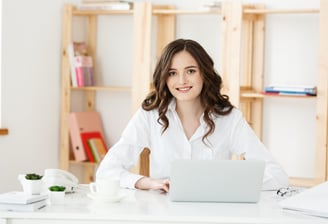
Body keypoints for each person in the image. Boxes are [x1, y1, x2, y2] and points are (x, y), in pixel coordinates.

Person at [96, 38, 289, 193]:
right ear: (164, 77)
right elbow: (106, 172)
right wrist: (146, 182)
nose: (181, 81)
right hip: (163, 214)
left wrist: (227, 185)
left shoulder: (229, 118)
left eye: (190, 71)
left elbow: (277, 176)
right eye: (172, 73)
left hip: (214, 214)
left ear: (204, 74)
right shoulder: (150, 115)